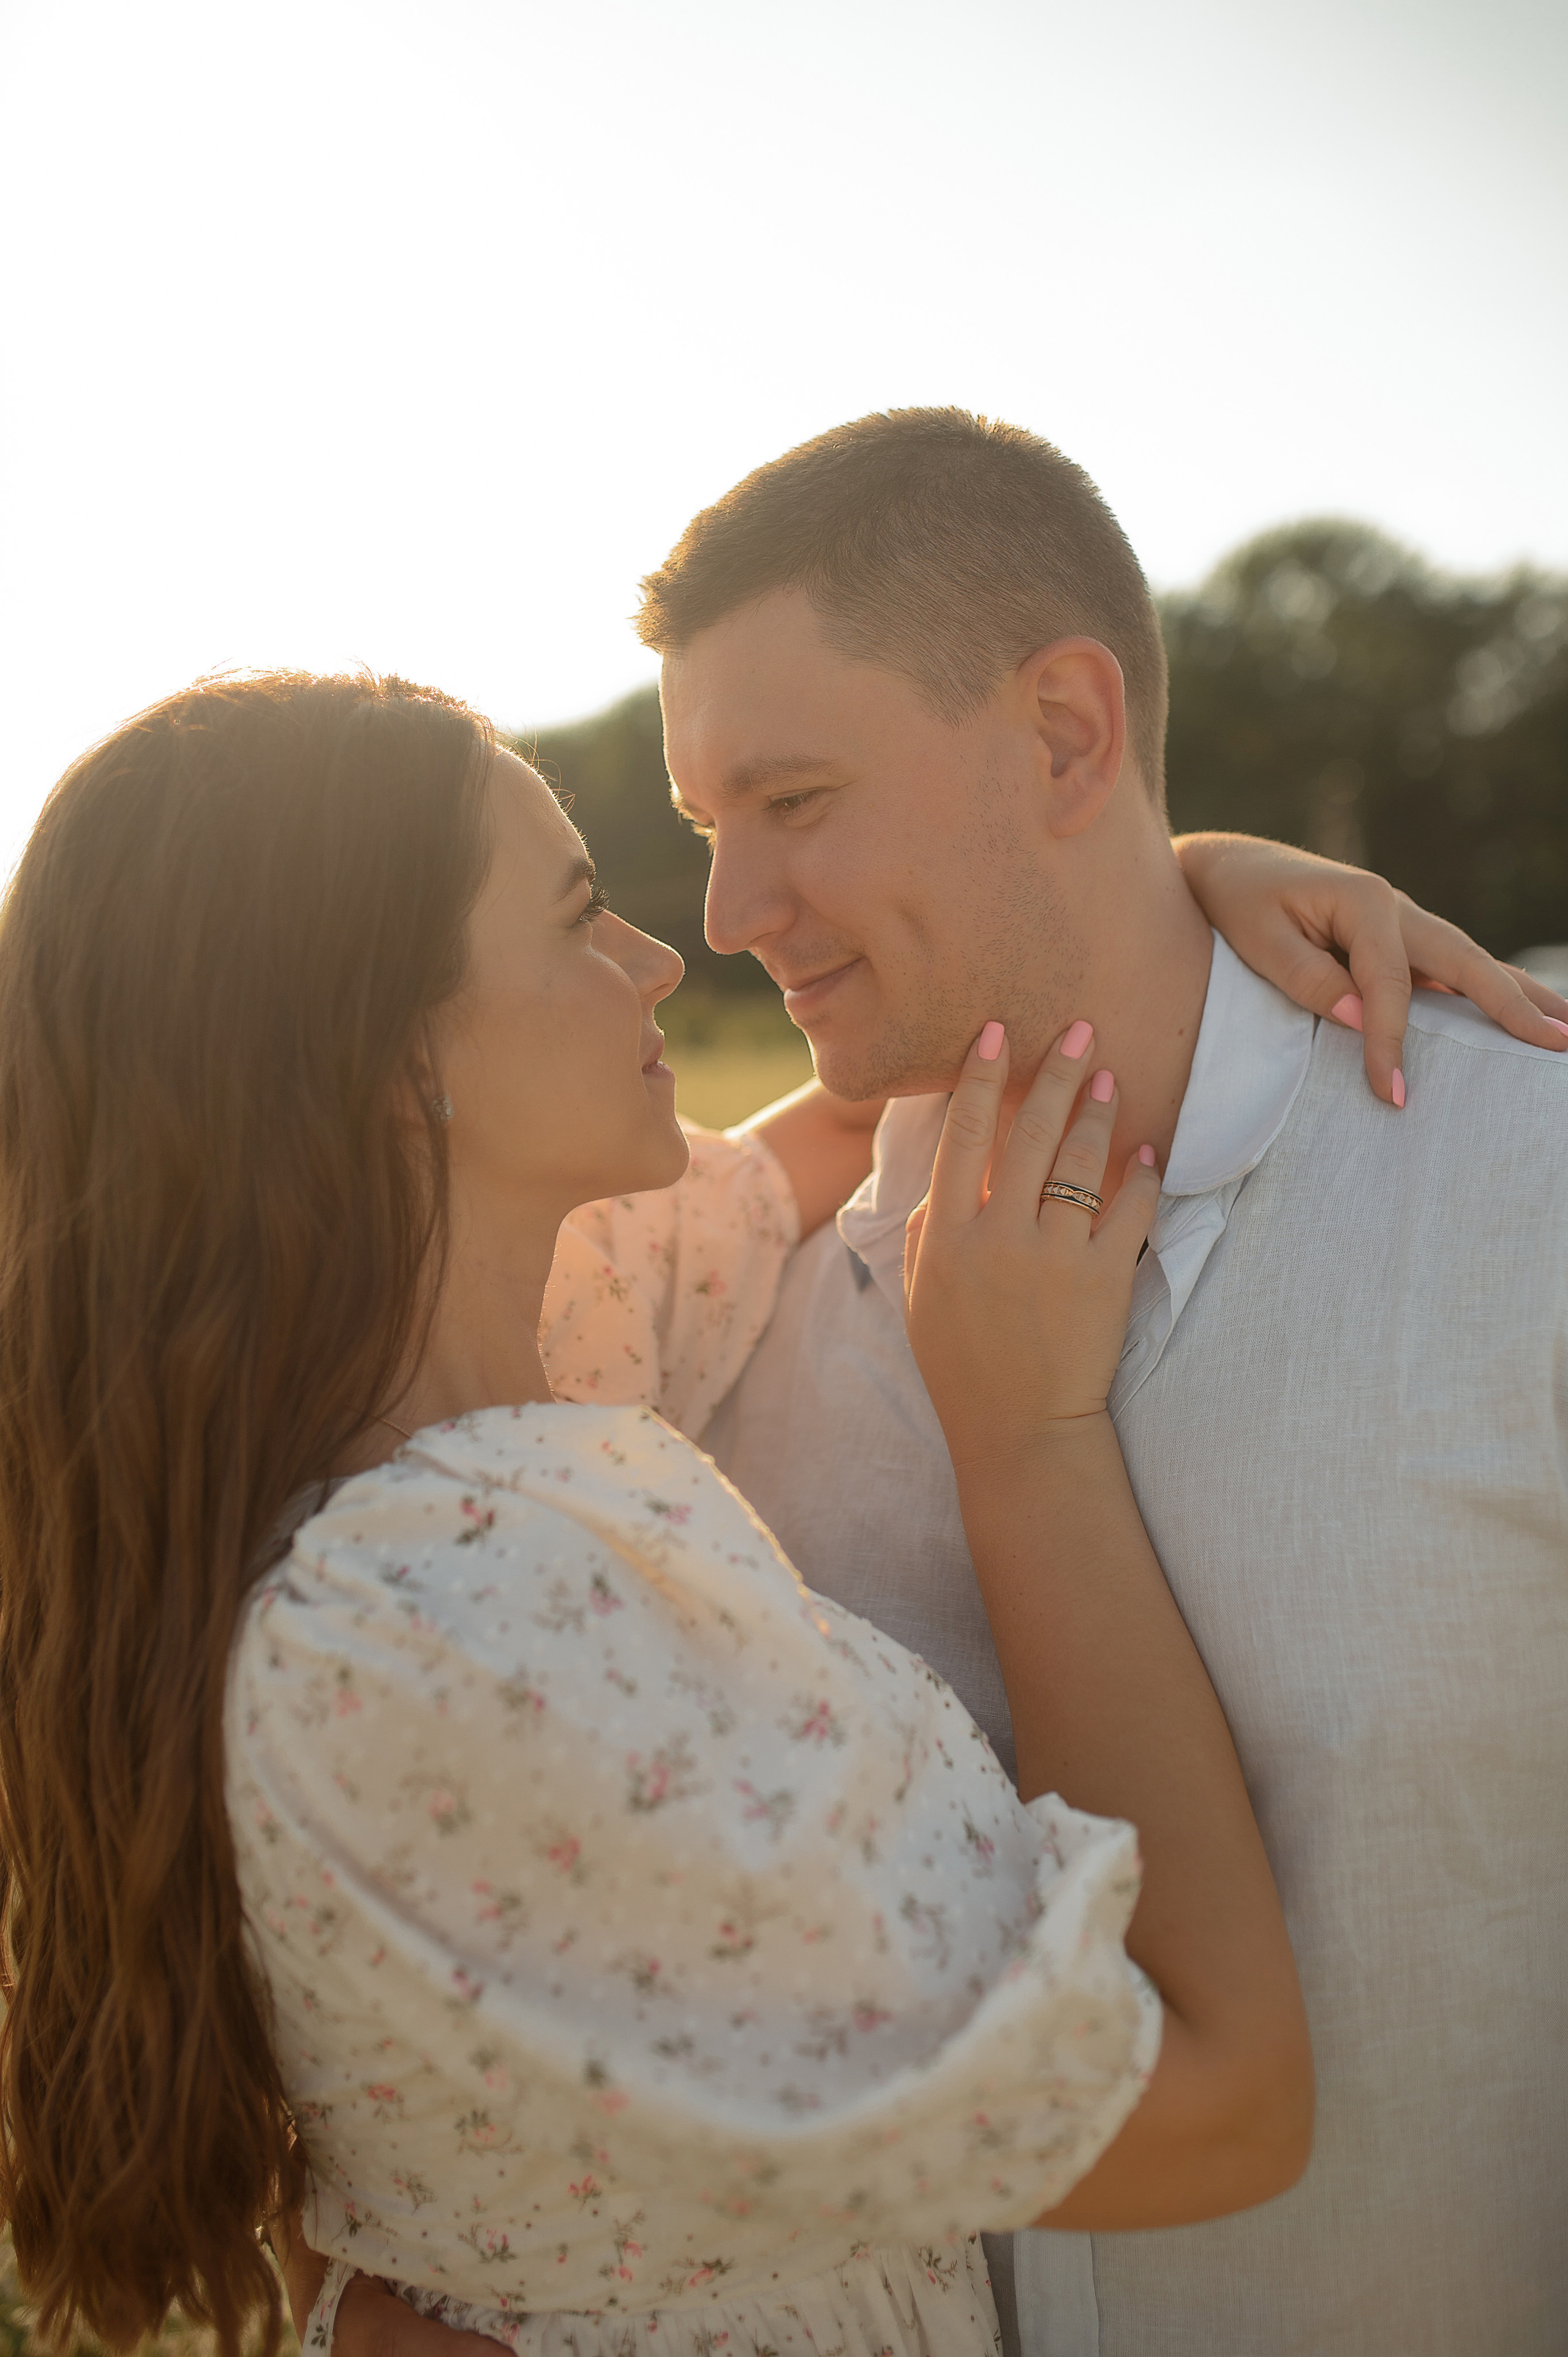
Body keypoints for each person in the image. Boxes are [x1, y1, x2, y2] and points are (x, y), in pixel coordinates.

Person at [0, 671, 1332, 2357]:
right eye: (575, 918)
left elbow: (877, 1095)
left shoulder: (543, 1327)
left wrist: (1185, 882)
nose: (657, 956)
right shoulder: (457, 1629)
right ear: (397, 1055)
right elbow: (1223, 2098)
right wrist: (1030, 1439)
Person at [619, 409, 1567, 2357]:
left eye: (792, 799)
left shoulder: (1530, 1198)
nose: (728, 914)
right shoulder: (721, 1339)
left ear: (1065, 733)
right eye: (711, 831)